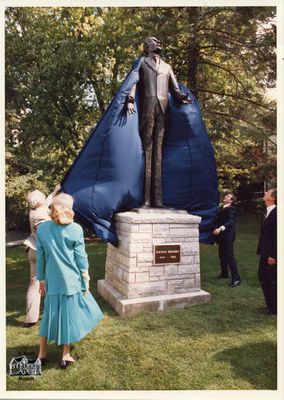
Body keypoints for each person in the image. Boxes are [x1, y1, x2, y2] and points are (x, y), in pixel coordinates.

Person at [36, 193, 103, 368]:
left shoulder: (42, 229)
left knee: (47, 316)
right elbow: (81, 257)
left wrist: (41, 280)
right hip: (72, 280)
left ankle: (41, 354)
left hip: (52, 279)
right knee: (69, 317)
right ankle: (65, 355)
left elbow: (40, 257)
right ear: (68, 208)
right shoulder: (76, 229)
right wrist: (86, 277)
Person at [127, 36, 192, 208]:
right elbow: (134, 83)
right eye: (154, 42)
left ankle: (159, 200)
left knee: (158, 155)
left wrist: (183, 98)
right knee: (148, 154)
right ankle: (146, 200)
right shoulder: (142, 63)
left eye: (158, 42)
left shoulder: (167, 67)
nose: (158, 44)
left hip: (163, 111)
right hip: (147, 111)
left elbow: (175, 89)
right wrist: (130, 99)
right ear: (147, 47)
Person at [23, 184, 61, 328]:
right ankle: (56, 314)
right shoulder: (41, 214)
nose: (45, 198)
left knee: (34, 283)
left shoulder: (33, 210)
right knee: (53, 280)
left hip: (32, 250)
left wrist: (56, 191)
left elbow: (47, 201)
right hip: (42, 251)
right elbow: (48, 231)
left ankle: (31, 318)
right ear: (38, 202)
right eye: (42, 197)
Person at [213, 193, 241, 287]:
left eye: (228, 196)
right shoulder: (221, 208)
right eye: (226, 195)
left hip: (228, 235)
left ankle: (236, 279)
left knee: (229, 256)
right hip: (221, 236)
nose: (225, 196)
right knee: (221, 255)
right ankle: (224, 273)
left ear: (231, 201)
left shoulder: (232, 209)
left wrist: (220, 228)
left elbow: (230, 221)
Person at [257, 188, 277, 315]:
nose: (264, 193)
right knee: (263, 277)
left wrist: (273, 255)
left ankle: (275, 308)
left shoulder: (277, 213)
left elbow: (277, 236)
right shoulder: (267, 211)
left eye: (267, 192)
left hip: (271, 254)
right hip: (264, 252)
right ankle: (271, 305)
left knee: (270, 279)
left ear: (273, 197)